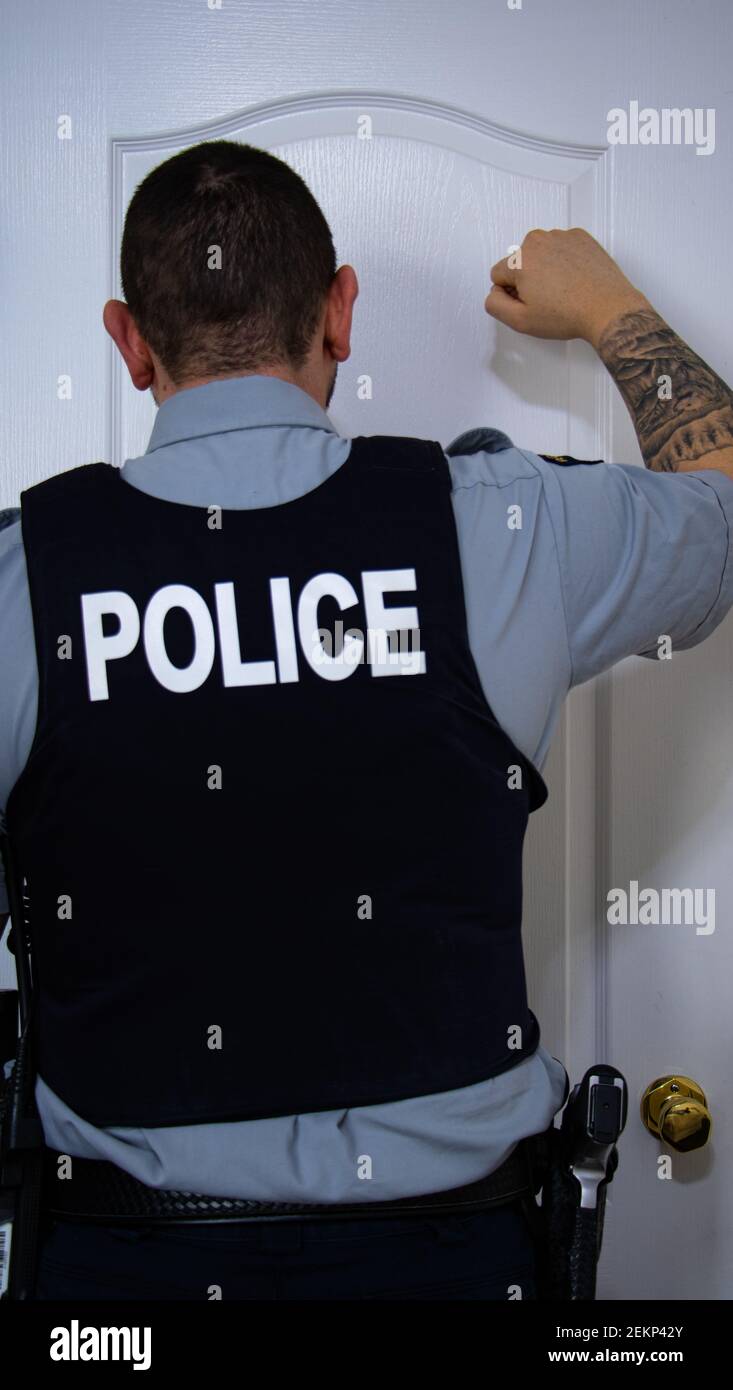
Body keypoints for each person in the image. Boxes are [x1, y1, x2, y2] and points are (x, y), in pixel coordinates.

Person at [1, 141, 732, 1302]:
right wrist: (609, 304)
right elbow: (723, 507)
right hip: (447, 1265)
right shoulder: (498, 529)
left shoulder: (22, 583)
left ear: (129, 340)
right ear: (340, 311)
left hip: (119, 1283)